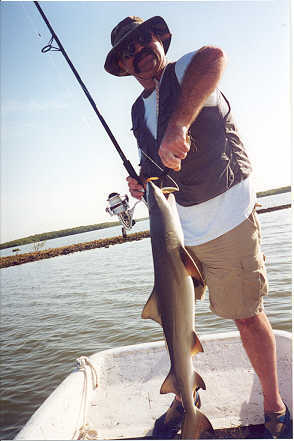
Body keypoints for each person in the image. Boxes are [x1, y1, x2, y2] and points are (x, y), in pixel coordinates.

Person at [104, 16, 291, 439]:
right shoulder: (138, 110)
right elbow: (159, 171)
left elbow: (215, 57)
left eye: (142, 42)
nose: (138, 53)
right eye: (127, 52)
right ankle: (185, 395)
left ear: (159, 40)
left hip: (226, 221)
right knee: (176, 320)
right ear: (123, 66)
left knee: (246, 315)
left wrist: (179, 123)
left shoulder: (187, 70)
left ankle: (274, 407)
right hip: (180, 235)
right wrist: (141, 183)